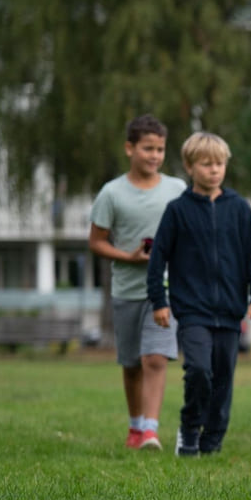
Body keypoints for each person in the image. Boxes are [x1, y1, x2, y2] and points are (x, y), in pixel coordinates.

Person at [145, 132, 251, 456]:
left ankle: (212, 441)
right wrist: (159, 300)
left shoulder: (239, 208)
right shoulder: (177, 210)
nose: (214, 170)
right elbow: (158, 259)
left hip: (230, 309)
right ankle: (189, 428)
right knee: (199, 370)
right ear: (189, 166)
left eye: (220, 164)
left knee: (223, 377)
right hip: (192, 310)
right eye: (206, 164)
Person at [88, 114, 187, 451]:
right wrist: (127, 256)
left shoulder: (177, 189)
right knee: (131, 364)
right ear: (129, 148)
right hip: (127, 290)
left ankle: (150, 430)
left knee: (157, 358)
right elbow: (96, 241)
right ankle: (134, 426)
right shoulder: (111, 193)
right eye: (148, 148)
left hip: (166, 290)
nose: (155, 155)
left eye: (160, 149)